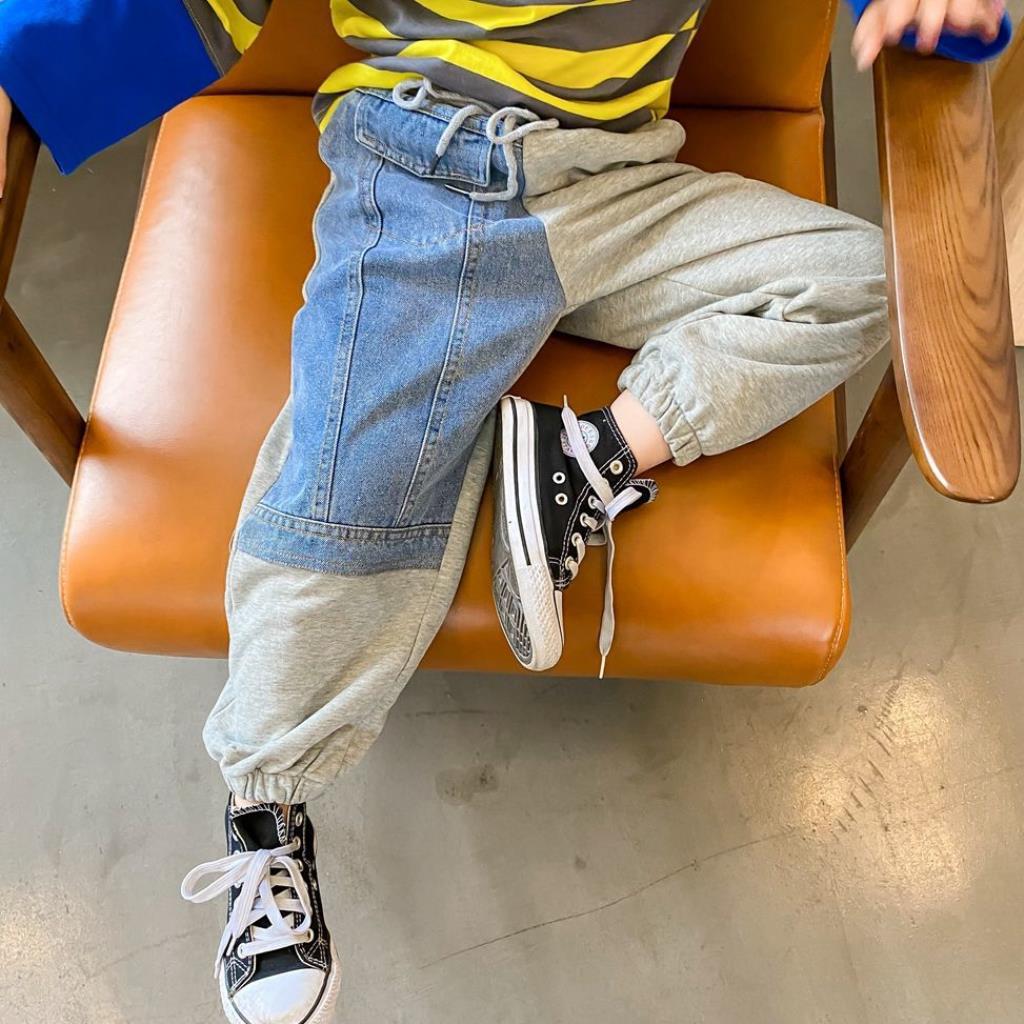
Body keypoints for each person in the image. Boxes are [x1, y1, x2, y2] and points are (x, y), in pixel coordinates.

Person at [0, 0, 1010, 1020]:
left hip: (614, 179)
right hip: (423, 168)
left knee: (856, 281)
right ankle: (267, 803)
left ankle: (581, 459)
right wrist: (20, 60)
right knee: (345, 509)